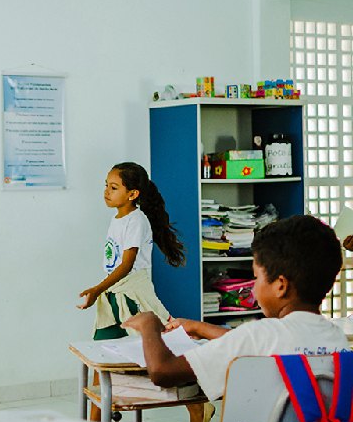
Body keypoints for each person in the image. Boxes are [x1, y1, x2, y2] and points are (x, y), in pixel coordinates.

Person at [123, 214, 350, 402]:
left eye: (256, 277)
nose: (253, 288)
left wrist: (149, 324)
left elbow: (163, 372)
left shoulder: (260, 335)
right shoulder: (336, 338)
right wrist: (199, 328)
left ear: (280, 286)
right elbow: (255, 343)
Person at [77, 162, 185, 338]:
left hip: (131, 292)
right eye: (106, 185)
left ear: (133, 194)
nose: (106, 192)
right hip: (115, 289)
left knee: (146, 343)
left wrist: (97, 289)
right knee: (104, 342)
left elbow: (127, 265)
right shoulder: (118, 219)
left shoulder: (136, 221)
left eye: (114, 188)